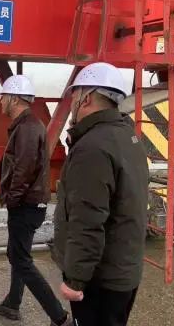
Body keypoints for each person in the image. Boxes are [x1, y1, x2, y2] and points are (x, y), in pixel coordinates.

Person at [52, 62, 149, 326]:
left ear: (86, 98)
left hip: (100, 281)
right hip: (124, 271)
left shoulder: (92, 148)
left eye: (75, 95)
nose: (72, 103)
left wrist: (75, 281)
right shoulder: (128, 136)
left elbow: (88, 221)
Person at [0, 75, 72, 326]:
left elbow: (23, 170)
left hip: (26, 205)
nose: (0, 102)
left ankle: (59, 317)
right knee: (17, 254)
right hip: (29, 204)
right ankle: (12, 304)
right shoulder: (28, 125)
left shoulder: (26, 128)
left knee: (21, 260)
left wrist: (12, 200)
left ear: (14, 99)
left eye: (4, 97)